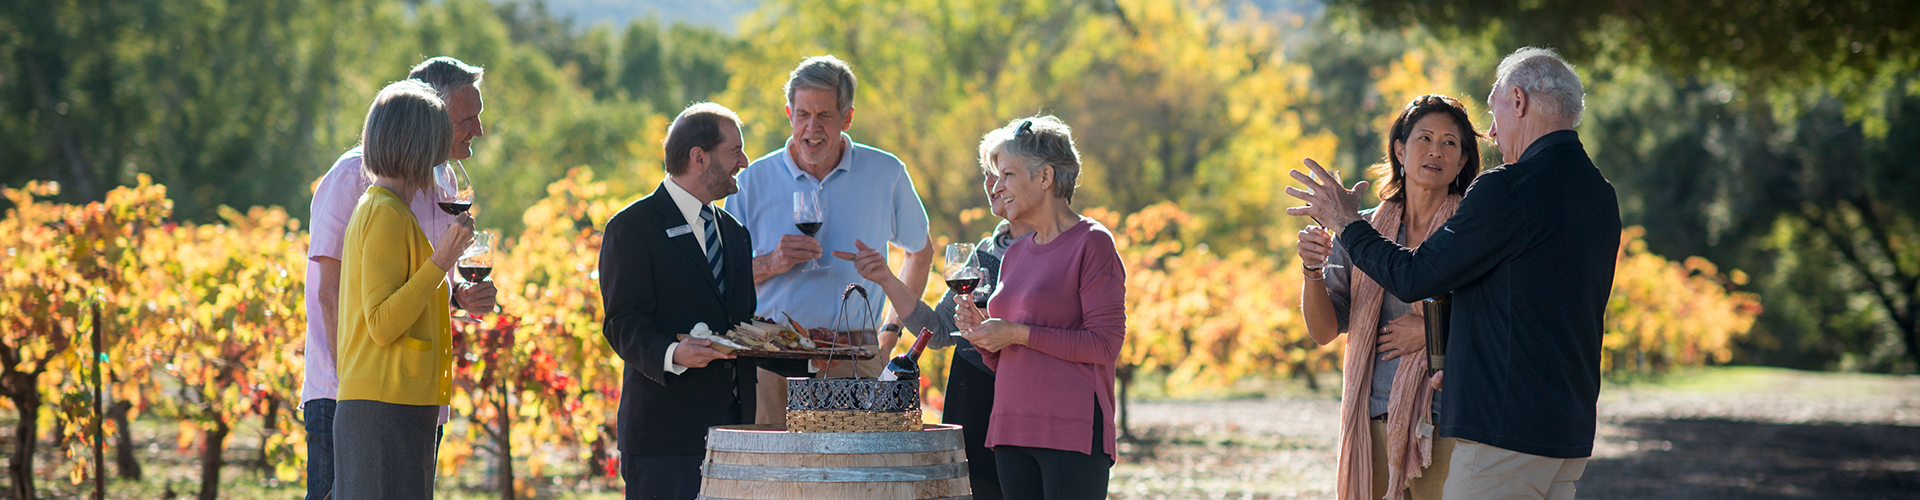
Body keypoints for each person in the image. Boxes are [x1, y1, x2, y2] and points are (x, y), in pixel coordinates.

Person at [1285, 47, 1621, 500]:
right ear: (1400, 150)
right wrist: (1448, 341)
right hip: (1567, 431)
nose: (1493, 130)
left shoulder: (1510, 188)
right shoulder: (1598, 193)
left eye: (1494, 110)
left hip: (1502, 433)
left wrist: (1347, 222)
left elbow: (1414, 277)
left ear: (1518, 101)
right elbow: (1527, 305)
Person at [598, 102, 820, 500]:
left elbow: (739, 329)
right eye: (735, 151)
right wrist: (673, 353)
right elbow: (623, 324)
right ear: (698, 158)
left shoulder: (735, 233)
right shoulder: (631, 228)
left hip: (736, 433)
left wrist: (810, 355)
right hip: (664, 440)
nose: (745, 161)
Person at [303, 56, 493, 500]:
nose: (476, 131)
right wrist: (347, 389)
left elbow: (402, 283)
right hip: (357, 391)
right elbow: (335, 297)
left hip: (409, 393)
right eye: (466, 119)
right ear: (426, 124)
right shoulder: (363, 185)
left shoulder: (434, 183)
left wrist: (457, 296)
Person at [723, 55, 933, 426]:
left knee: (854, 479)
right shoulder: (752, 180)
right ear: (789, 114)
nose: (811, 128)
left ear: (847, 118)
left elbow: (920, 252)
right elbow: (722, 275)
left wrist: (889, 332)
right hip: (774, 357)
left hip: (856, 356)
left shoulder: (886, 173)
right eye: (802, 114)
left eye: (824, 116)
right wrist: (772, 262)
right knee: (775, 478)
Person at [1298, 95, 1483, 500]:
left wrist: (1436, 331)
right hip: (1373, 423)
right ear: (1400, 149)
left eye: (1451, 143)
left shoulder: (1475, 231)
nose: (1436, 150)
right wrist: (1312, 270)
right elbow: (1325, 330)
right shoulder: (1361, 231)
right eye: (1425, 138)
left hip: (1449, 424)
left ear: (1462, 160)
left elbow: (1496, 314)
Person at [838, 124, 1031, 500]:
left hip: (1023, 392)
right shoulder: (983, 252)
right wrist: (887, 278)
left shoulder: (1057, 249)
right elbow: (941, 331)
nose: (992, 185)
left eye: (1003, 175)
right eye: (988, 175)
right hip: (972, 392)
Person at [954, 116, 1125, 500]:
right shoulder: (1015, 254)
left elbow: (1104, 345)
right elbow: (1006, 359)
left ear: (1045, 177)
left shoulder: (1092, 243)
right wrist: (984, 335)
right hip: (1011, 428)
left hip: (1071, 429)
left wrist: (1015, 332)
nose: (996, 188)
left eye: (1008, 175)